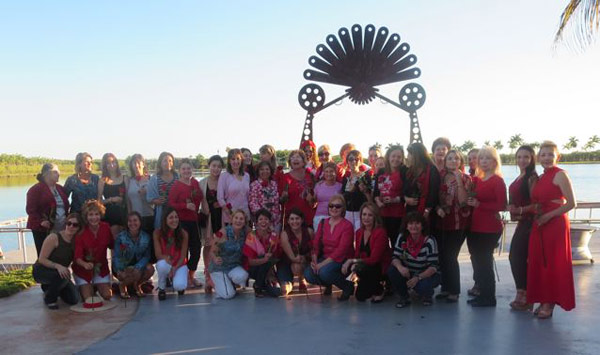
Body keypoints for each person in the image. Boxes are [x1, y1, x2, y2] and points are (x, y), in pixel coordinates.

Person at [526, 141, 576, 318]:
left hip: (554, 224)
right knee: (539, 262)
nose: (546, 158)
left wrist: (548, 216)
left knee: (553, 263)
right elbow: (537, 201)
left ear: (557, 157)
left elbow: (571, 203)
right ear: (539, 157)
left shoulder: (560, 175)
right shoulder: (541, 177)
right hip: (540, 224)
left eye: (550, 154)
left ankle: (549, 303)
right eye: (543, 154)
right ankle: (542, 299)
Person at [466, 146, 507, 307]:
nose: (483, 161)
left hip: (489, 228)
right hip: (475, 226)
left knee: (485, 263)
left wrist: (479, 204)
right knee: (477, 261)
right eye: (481, 158)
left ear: (494, 161)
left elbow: (502, 205)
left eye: (487, 158)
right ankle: (481, 293)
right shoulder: (477, 179)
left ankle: (489, 297)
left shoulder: (498, 180)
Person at [435, 150, 472, 302]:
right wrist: (438, 209)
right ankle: (445, 288)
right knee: (442, 256)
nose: (452, 161)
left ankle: (454, 291)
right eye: (449, 158)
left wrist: (459, 180)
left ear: (460, 161)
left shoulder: (466, 178)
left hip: (458, 223)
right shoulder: (440, 177)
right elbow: (434, 197)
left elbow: (464, 202)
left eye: (456, 158)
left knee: (451, 256)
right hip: (442, 222)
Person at [304, 195, 355, 301]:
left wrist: (321, 265)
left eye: (338, 206)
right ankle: (328, 283)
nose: (334, 209)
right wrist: (314, 260)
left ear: (343, 209)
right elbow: (316, 244)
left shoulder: (347, 225)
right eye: (331, 206)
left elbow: (341, 250)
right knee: (308, 274)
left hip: (341, 259)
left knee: (324, 272)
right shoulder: (323, 223)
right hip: (325, 257)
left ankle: (347, 286)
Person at [506, 146, 538, 311]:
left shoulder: (532, 177)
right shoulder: (521, 176)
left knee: (517, 257)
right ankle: (524, 293)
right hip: (522, 222)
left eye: (526, 157)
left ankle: (525, 295)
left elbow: (536, 204)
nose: (522, 160)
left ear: (532, 159)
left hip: (531, 223)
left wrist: (519, 210)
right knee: (517, 257)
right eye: (519, 157)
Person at [388, 212, 440, 308]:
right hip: (408, 272)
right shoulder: (402, 237)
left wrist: (418, 278)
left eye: (417, 223)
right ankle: (404, 297)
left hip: (425, 274)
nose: (414, 226)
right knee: (392, 270)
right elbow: (395, 257)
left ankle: (427, 295)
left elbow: (434, 267)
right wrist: (400, 268)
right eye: (411, 223)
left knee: (423, 286)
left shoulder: (429, 241)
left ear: (422, 226)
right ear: (406, 226)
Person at [341, 202, 391, 302]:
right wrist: (351, 264)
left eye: (370, 215)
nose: (366, 218)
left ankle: (381, 289)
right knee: (360, 297)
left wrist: (353, 261)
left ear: (375, 217)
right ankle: (366, 285)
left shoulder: (380, 232)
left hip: (378, 267)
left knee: (360, 267)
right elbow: (357, 254)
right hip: (365, 266)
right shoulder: (359, 232)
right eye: (364, 214)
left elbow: (374, 259)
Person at [168, 158, 206, 288]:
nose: (186, 171)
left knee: (196, 249)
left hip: (194, 220)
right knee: (183, 251)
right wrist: (185, 205)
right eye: (183, 168)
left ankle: (191, 275)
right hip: (181, 222)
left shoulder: (195, 182)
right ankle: (182, 277)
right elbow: (171, 203)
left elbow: (200, 196)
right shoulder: (176, 185)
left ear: (192, 170)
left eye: (188, 168)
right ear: (179, 170)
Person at [32, 213, 82, 309]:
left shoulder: (76, 241)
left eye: (75, 225)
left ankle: (49, 287)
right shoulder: (54, 237)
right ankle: (50, 299)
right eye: (69, 223)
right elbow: (41, 259)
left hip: (60, 273)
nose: (71, 226)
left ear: (79, 227)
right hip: (42, 270)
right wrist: (58, 266)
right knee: (63, 277)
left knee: (74, 299)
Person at [72, 200, 113, 301]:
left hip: (101, 268)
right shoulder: (81, 232)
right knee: (89, 299)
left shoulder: (106, 227)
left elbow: (112, 245)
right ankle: (85, 287)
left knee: (108, 295)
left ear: (100, 214)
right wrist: (85, 264)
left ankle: (97, 286)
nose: (94, 217)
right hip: (83, 270)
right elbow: (77, 258)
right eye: (90, 214)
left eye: (96, 214)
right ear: (86, 216)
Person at [26, 163, 70, 256]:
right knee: (45, 255)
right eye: (55, 172)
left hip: (61, 228)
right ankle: (42, 270)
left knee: (60, 255)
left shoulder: (60, 188)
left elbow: (65, 206)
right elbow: (31, 209)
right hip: (43, 229)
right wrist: (41, 221)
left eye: (58, 172)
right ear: (46, 174)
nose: (58, 174)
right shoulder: (36, 189)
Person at [208, 209, 249, 300]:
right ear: (231, 219)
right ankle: (212, 282)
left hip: (233, 266)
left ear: (244, 221)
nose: (238, 221)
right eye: (236, 218)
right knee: (228, 295)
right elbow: (211, 251)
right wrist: (215, 258)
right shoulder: (223, 233)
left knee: (243, 276)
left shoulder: (244, 233)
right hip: (220, 268)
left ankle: (228, 283)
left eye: (241, 219)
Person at [113, 212, 154, 298]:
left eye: (135, 220)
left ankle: (136, 285)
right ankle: (123, 285)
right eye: (130, 221)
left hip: (139, 265)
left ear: (140, 222)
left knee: (150, 269)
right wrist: (119, 270)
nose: (132, 223)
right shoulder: (120, 237)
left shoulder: (146, 237)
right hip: (124, 265)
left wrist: (138, 266)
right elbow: (116, 256)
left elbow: (147, 256)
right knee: (132, 271)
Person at [242, 209, 282, 297]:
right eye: (260, 219)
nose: (263, 222)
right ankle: (258, 286)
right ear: (256, 222)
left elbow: (277, 257)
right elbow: (250, 262)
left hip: (268, 270)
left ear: (270, 222)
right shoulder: (251, 236)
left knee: (276, 292)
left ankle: (261, 284)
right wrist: (265, 259)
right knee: (267, 261)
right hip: (253, 269)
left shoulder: (274, 236)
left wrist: (271, 274)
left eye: (266, 219)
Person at [153, 207, 189, 300]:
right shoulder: (157, 233)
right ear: (165, 219)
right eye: (171, 217)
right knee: (161, 265)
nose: (174, 220)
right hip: (167, 262)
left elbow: (183, 256)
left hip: (179, 264)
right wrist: (167, 260)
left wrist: (175, 268)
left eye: (176, 217)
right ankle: (162, 288)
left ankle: (177, 280)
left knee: (180, 286)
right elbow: (158, 255)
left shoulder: (183, 234)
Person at [200, 155, 223, 293]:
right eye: (213, 166)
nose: (216, 169)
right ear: (209, 166)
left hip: (221, 217)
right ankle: (208, 276)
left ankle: (221, 276)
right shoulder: (202, 182)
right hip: (208, 218)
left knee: (221, 246)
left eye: (219, 166)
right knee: (208, 246)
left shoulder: (224, 180)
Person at [373, 145, 406, 245]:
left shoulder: (404, 171)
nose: (396, 159)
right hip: (381, 214)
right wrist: (378, 201)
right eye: (393, 156)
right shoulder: (381, 172)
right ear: (388, 157)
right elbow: (376, 192)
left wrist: (394, 200)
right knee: (381, 242)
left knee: (395, 242)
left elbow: (408, 194)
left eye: (399, 157)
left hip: (397, 215)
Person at [279, 208, 314, 295]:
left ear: (302, 220)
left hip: (304, 262)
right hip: (287, 263)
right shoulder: (284, 234)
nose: (295, 221)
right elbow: (293, 258)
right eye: (292, 219)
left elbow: (315, 249)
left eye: (297, 218)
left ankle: (302, 279)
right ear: (288, 221)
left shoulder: (309, 232)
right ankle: (290, 282)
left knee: (297, 267)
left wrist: (305, 258)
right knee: (284, 290)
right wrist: (299, 259)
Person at [279, 150, 316, 228]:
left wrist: (312, 200)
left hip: (308, 217)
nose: (295, 159)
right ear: (290, 162)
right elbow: (280, 201)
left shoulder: (311, 176)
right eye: (292, 158)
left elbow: (316, 200)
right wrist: (283, 197)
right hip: (292, 220)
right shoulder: (284, 177)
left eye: (298, 157)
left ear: (303, 161)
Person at [403, 142, 440, 219]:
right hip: (411, 210)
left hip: (427, 212)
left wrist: (427, 210)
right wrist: (406, 199)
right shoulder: (410, 172)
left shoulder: (432, 170)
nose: (407, 157)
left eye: (409, 154)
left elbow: (434, 193)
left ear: (416, 155)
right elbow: (404, 190)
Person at [98, 153, 129, 237]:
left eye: (114, 162)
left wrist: (130, 213)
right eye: (108, 163)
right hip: (110, 214)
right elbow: (99, 202)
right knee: (115, 243)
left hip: (123, 213)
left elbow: (128, 199)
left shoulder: (124, 178)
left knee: (125, 241)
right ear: (105, 165)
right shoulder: (102, 181)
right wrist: (111, 199)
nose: (112, 165)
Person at [217, 148, 251, 225]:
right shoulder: (224, 176)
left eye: (238, 159)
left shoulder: (247, 176)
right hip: (230, 216)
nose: (236, 161)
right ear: (229, 161)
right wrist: (229, 212)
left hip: (245, 216)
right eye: (233, 159)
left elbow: (247, 197)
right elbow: (220, 198)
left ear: (241, 160)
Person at [147, 152, 179, 230]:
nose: (168, 163)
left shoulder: (178, 177)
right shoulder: (154, 179)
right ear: (160, 163)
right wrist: (156, 201)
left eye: (170, 161)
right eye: (165, 160)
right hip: (161, 212)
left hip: (177, 211)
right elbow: (149, 198)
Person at [341, 150, 371, 231]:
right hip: (347, 213)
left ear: (360, 161)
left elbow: (369, 197)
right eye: (351, 159)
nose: (353, 161)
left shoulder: (365, 176)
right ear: (347, 161)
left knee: (359, 236)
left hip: (360, 212)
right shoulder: (345, 178)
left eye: (356, 159)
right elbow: (342, 196)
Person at [249, 161, 282, 232]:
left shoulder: (274, 184)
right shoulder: (254, 185)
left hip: (276, 221)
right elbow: (253, 203)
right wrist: (264, 217)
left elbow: (278, 200)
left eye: (267, 169)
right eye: (262, 169)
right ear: (258, 171)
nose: (265, 171)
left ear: (270, 171)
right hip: (262, 223)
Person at [126, 154, 154, 236]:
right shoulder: (129, 180)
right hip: (134, 218)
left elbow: (156, 197)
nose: (136, 165)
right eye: (134, 163)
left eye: (138, 163)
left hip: (149, 216)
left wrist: (147, 191)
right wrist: (129, 215)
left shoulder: (151, 179)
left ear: (143, 164)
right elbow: (128, 200)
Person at [313, 162, 342, 228]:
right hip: (319, 217)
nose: (329, 173)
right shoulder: (318, 185)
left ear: (336, 172)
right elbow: (313, 202)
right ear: (324, 173)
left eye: (331, 171)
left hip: (335, 217)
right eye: (326, 171)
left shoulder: (340, 186)